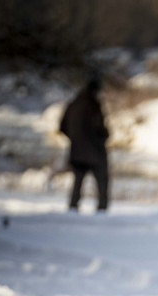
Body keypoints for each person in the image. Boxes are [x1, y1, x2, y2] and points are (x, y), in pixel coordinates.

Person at [59, 77, 109, 213]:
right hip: (94, 151)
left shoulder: (73, 104)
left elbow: (62, 127)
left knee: (77, 181)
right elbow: (99, 126)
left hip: (77, 150)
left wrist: (75, 138)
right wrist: (105, 135)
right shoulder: (93, 105)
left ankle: (73, 205)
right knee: (102, 180)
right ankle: (102, 208)